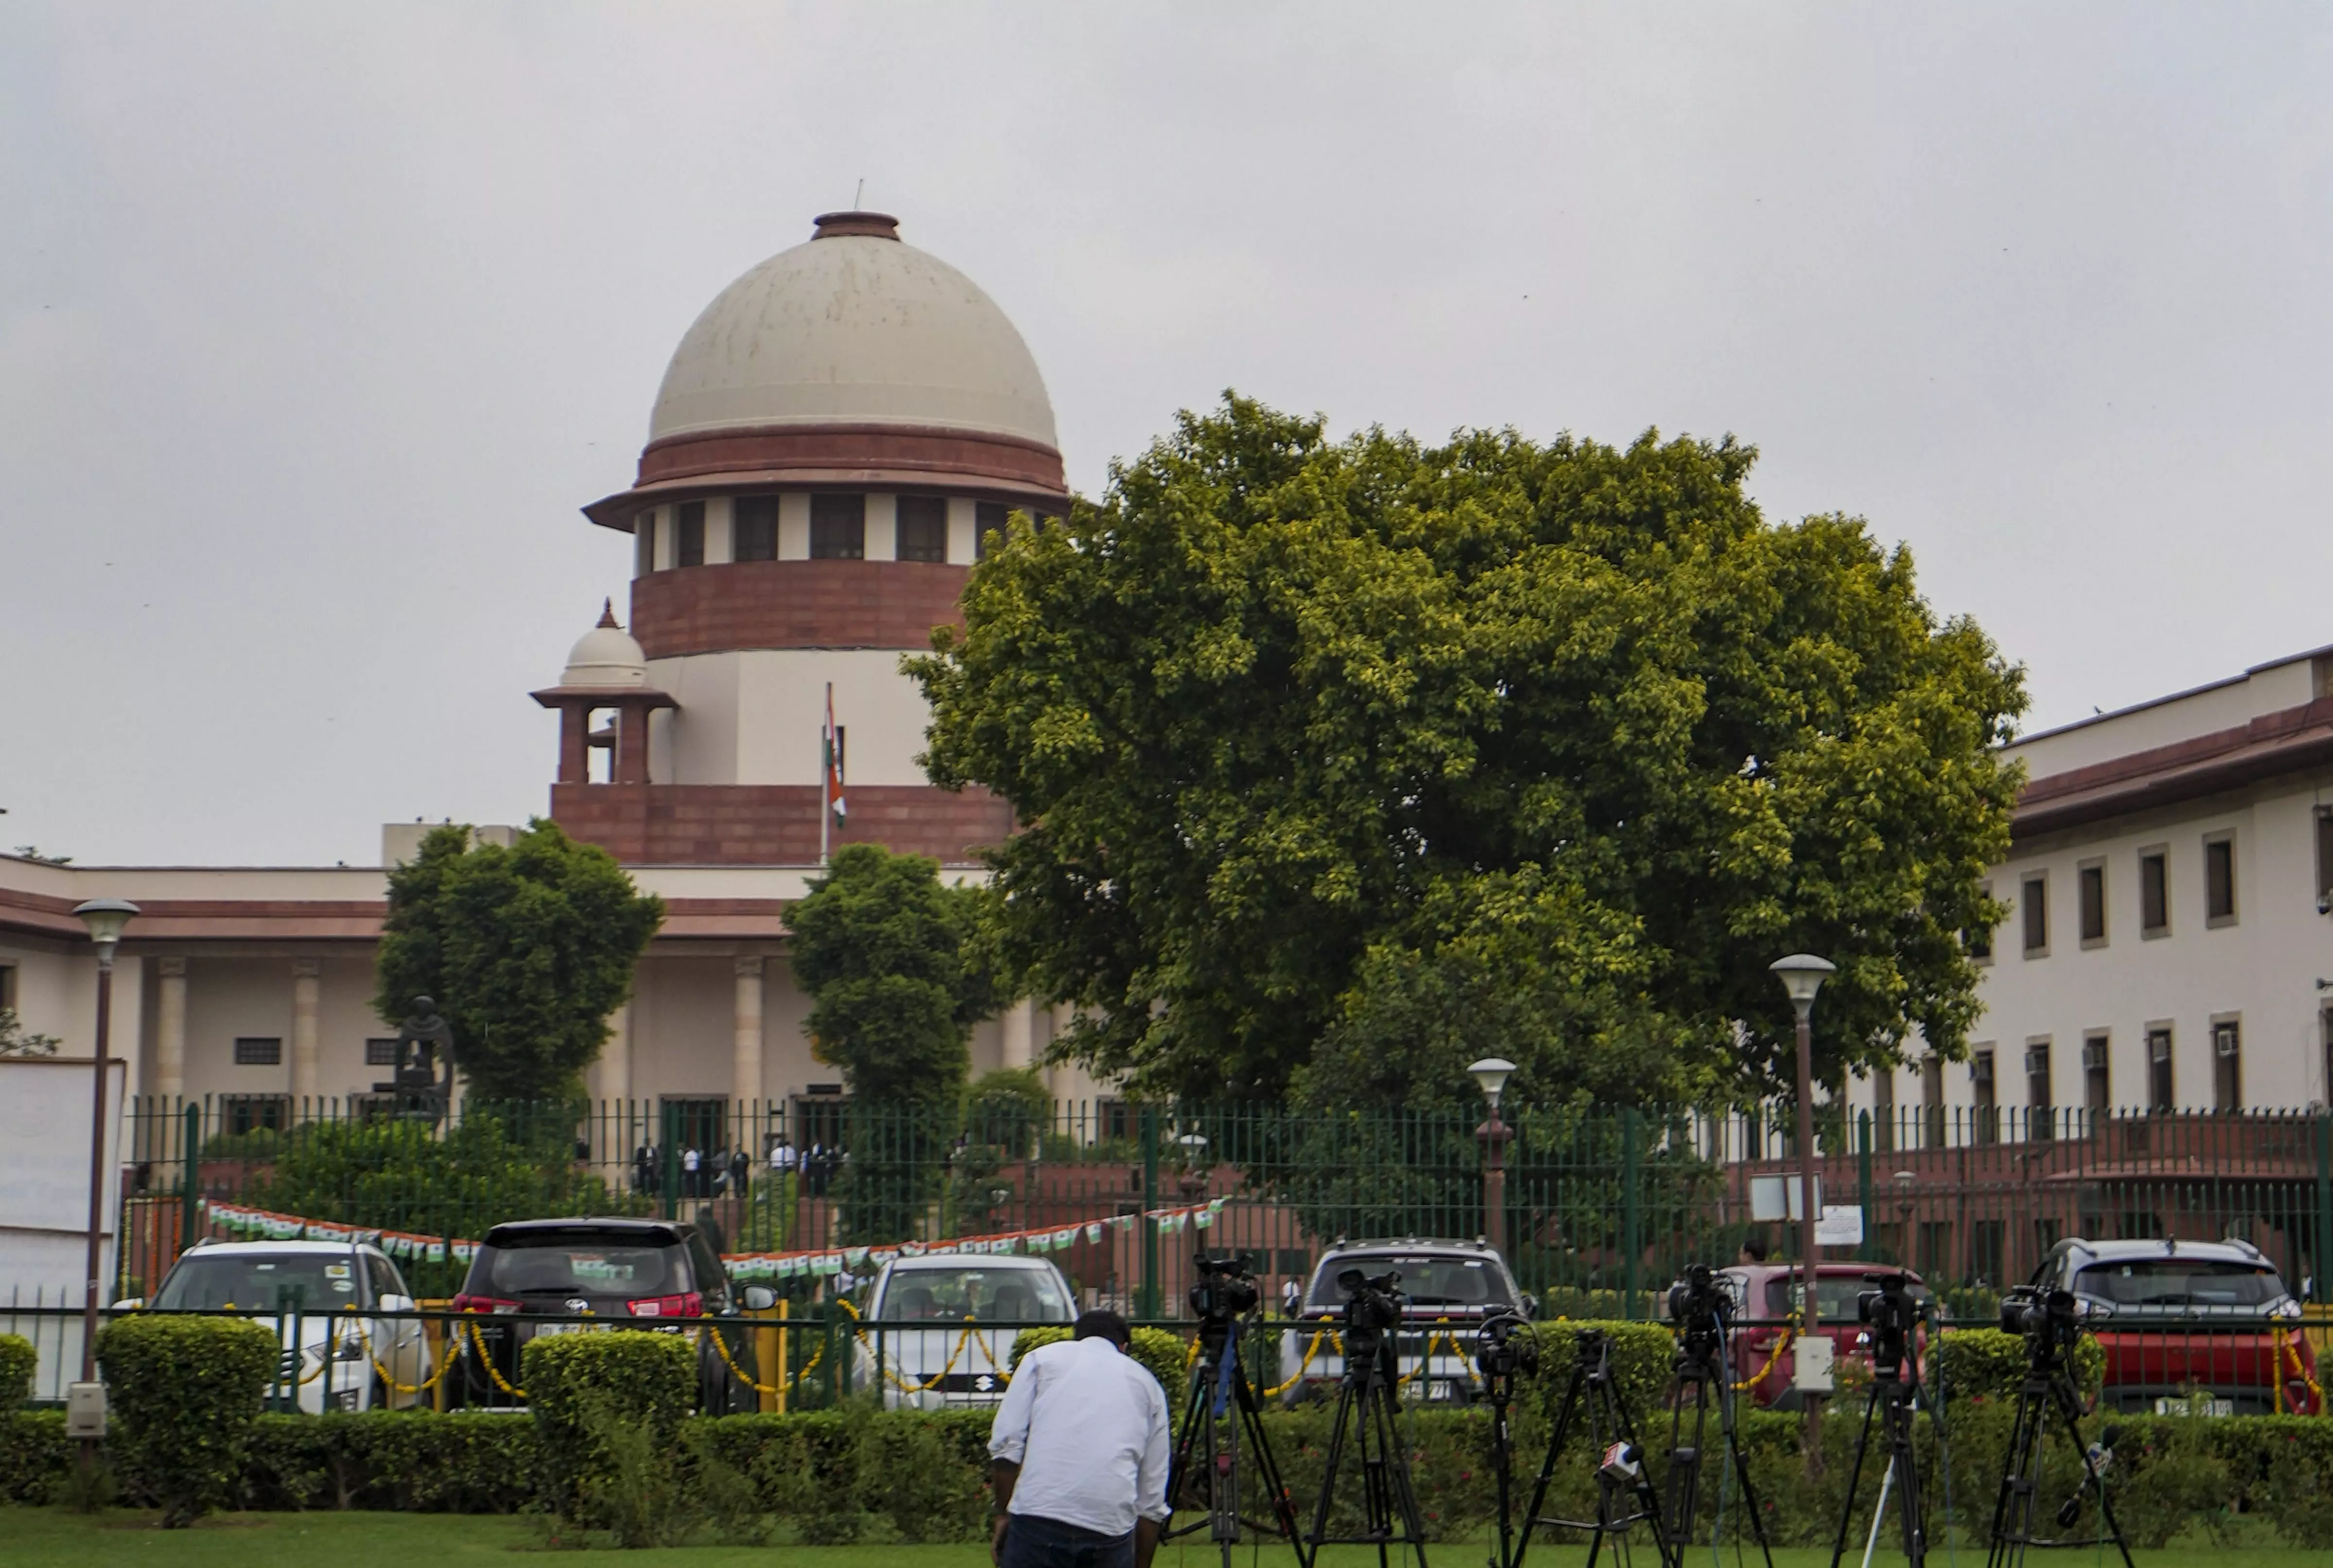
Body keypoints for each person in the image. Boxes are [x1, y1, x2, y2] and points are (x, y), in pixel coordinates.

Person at [988, 1308, 1170, 1568]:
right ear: (1124, 1347)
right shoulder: (1148, 1384)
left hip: (1037, 1515)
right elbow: (1152, 1497)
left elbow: (1006, 1448)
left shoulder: (1040, 1359)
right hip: (1109, 1526)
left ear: (1078, 1337)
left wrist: (1003, 1517)